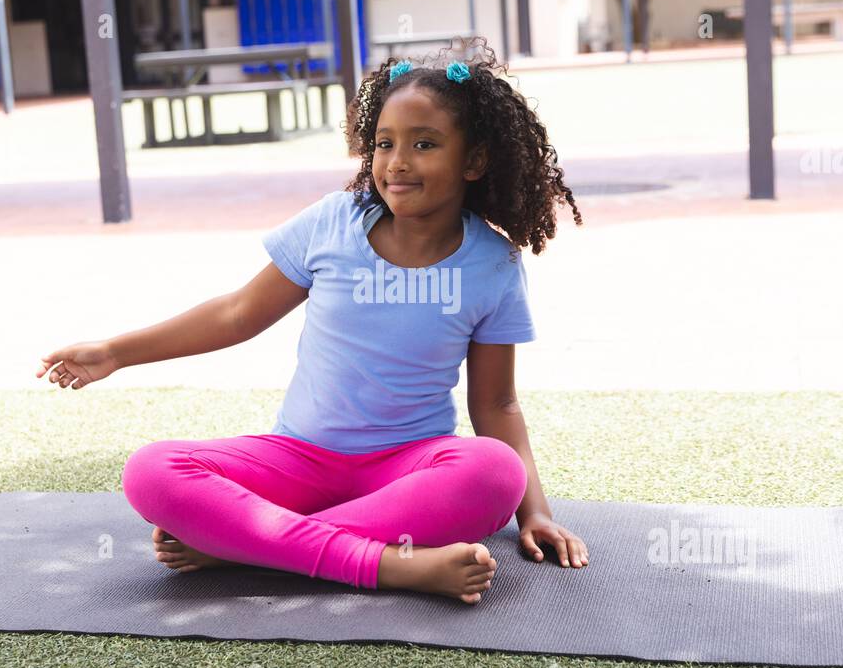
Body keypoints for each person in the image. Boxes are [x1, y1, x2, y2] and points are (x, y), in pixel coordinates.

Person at [37, 37, 586, 604]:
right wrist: (117, 352)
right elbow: (237, 313)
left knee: (493, 473)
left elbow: (496, 404)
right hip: (297, 460)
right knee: (152, 470)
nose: (397, 163)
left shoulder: (493, 263)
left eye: (424, 144)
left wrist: (535, 513)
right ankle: (387, 565)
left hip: (406, 471)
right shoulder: (333, 223)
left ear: (473, 160)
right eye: (384, 144)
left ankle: (244, 546)